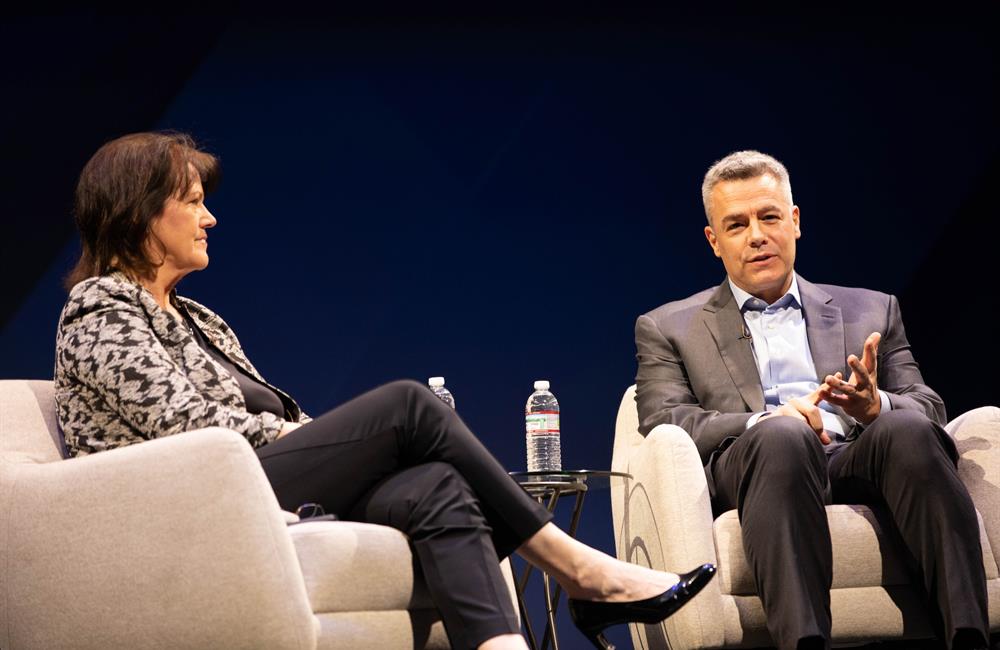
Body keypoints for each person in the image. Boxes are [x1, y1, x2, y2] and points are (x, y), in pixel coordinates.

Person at [54, 131, 715, 650]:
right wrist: (293, 436)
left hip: (252, 483)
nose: (211, 218)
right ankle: (582, 572)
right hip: (193, 499)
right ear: (139, 210)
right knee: (408, 404)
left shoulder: (201, 320)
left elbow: (282, 422)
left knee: (436, 486)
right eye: (194, 201)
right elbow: (185, 430)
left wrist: (306, 437)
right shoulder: (100, 307)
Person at [634, 151, 990, 650]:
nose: (756, 235)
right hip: (757, 463)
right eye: (736, 225)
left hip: (853, 458)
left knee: (905, 429)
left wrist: (874, 407)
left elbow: (929, 410)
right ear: (714, 241)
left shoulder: (871, 307)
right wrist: (765, 419)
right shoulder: (668, 326)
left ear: (795, 221)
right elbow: (665, 420)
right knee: (783, 435)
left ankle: (970, 639)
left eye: (769, 217)